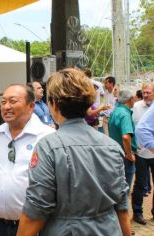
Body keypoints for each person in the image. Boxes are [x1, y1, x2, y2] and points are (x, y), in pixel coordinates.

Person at [17, 68, 130, 236]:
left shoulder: (48, 147)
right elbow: (121, 206)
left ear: (54, 104)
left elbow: (37, 209)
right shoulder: (112, 146)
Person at [0, 84, 54, 236]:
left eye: (13, 101)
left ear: (30, 106)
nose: (6, 107)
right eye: (4, 102)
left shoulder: (47, 137)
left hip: (33, 227)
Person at [131, 83, 154, 225]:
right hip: (140, 153)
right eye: (144, 92)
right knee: (140, 184)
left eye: (148, 92)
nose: (145, 95)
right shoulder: (137, 106)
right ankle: (137, 212)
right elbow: (133, 128)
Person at [109, 89, 137, 189]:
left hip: (115, 152)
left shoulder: (116, 111)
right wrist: (129, 154)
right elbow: (126, 137)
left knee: (117, 185)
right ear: (130, 99)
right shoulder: (125, 114)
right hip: (124, 155)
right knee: (124, 188)